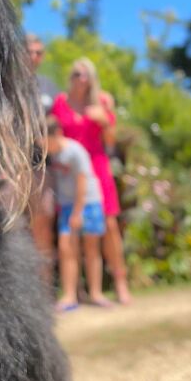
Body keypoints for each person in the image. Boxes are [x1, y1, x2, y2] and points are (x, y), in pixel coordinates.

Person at [50, 58, 132, 304]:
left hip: (97, 168)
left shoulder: (101, 102)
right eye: (77, 74)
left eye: (86, 75)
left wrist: (105, 120)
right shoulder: (61, 103)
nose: (81, 79)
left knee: (109, 226)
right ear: (70, 76)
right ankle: (76, 291)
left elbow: (110, 142)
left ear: (92, 78)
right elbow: (55, 136)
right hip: (69, 172)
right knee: (71, 229)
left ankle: (120, 282)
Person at [46, 116, 111, 311]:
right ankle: (69, 296)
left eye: (43, 139)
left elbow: (83, 182)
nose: (41, 144)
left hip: (88, 202)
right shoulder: (52, 154)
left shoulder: (75, 151)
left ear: (56, 134)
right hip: (67, 205)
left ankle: (96, 294)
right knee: (66, 248)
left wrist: (78, 212)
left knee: (91, 249)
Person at [25, 34, 58, 272]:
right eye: (30, 51)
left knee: (43, 222)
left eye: (39, 52)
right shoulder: (6, 83)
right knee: (13, 227)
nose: (35, 56)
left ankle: (45, 291)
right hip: (10, 167)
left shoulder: (47, 86)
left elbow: (60, 120)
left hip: (42, 165)